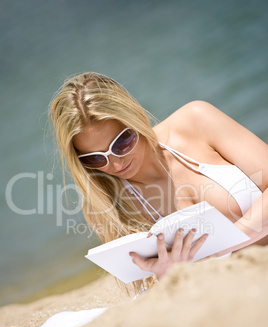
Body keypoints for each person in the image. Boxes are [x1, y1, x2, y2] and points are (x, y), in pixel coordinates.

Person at [50, 72, 268, 282]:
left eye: (122, 143)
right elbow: (154, 285)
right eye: (95, 158)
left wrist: (229, 242)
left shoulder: (196, 120)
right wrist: (165, 275)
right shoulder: (103, 204)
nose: (116, 163)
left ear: (135, 116)